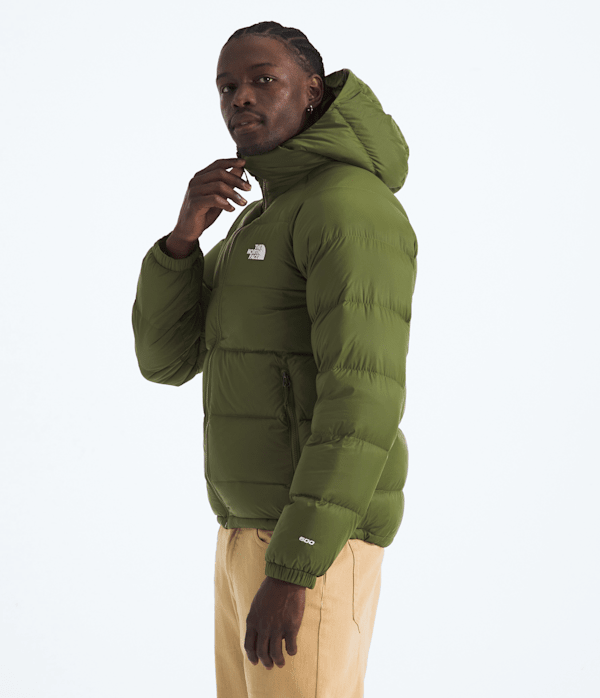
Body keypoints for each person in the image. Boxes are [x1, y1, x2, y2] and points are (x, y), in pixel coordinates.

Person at [132, 20, 418, 698]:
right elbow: (166, 360)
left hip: (310, 545)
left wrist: (295, 566)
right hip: (247, 531)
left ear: (312, 91)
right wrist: (181, 241)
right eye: (227, 86)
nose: (241, 98)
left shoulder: (348, 208)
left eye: (264, 80)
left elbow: (362, 401)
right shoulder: (258, 219)